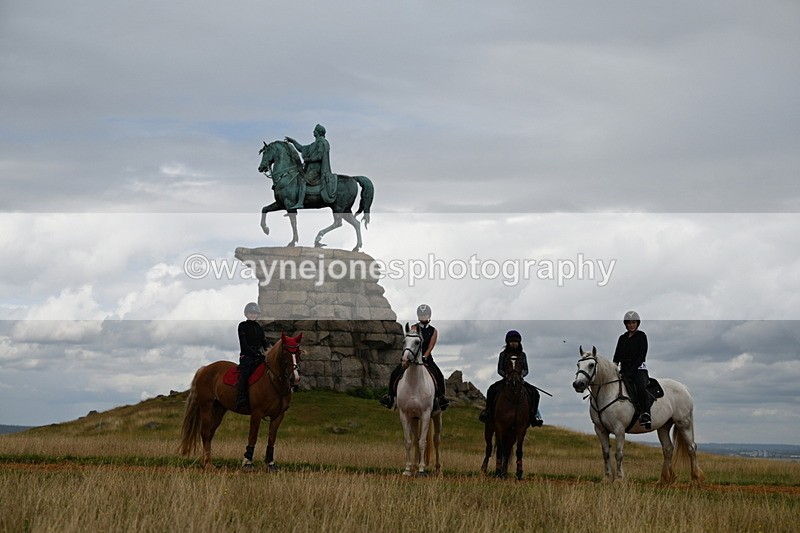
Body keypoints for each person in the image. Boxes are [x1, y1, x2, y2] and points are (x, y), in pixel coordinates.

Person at [379, 304, 450, 411]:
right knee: (395, 373)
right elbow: (410, 343)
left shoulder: (433, 331)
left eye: (425, 315)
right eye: (421, 315)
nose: (423, 317)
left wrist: (425, 356)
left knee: (439, 375)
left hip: (427, 358)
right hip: (412, 358)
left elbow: (431, 346)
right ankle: (390, 397)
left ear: (429, 316)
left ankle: (441, 398)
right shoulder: (414, 328)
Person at [479, 330, 543, 427]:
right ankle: (488, 412)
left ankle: (533, 416)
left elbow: (526, 369)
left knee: (535, 393)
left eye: (516, 342)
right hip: (506, 379)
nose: (514, 344)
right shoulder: (503, 355)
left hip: (519, 379)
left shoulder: (522, 355)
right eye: (512, 342)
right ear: (508, 343)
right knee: (491, 389)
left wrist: (521, 375)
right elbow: (499, 369)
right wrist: (505, 376)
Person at [613, 310, 652, 427]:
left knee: (641, 388)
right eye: (629, 323)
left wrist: (631, 371)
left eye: (633, 322)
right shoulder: (622, 338)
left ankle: (646, 413)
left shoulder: (641, 336)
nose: (631, 325)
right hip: (624, 370)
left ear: (637, 323)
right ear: (626, 324)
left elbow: (641, 356)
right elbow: (617, 355)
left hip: (639, 369)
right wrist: (614, 367)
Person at [284, 124, 337, 208]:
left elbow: (320, 156)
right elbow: (302, 148)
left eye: (315, 130)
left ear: (318, 132)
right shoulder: (315, 143)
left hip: (317, 169)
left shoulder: (322, 142)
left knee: (303, 181)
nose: (313, 132)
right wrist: (293, 141)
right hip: (311, 168)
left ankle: (300, 203)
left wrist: (308, 159)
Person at [235, 302, 270, 412]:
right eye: (250, 313)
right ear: (246, 314)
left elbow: (265, 343)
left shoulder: (259, 328)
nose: (252, 315)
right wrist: (256, 354)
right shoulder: (242, 326)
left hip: (259, 356)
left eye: (254, 313)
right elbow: (244, 345)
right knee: (245, 373)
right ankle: (241, 398)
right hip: (247, 356)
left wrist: (270, 352)